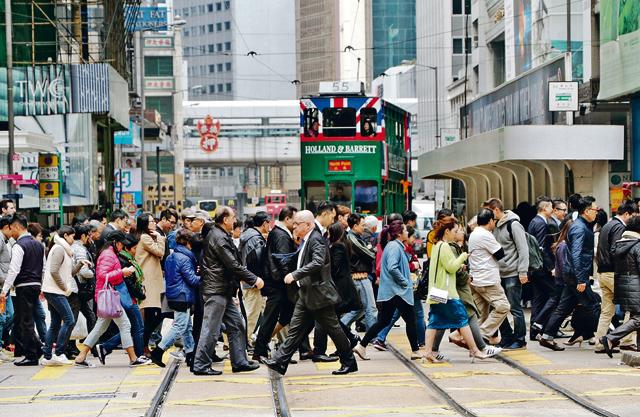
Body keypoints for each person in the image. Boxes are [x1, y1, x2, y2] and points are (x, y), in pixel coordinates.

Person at [264, 210, 357, 376]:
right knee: (296, 329)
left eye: (297, 223)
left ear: (308, 225)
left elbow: (318, 262)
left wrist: (295, 275)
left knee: (334, 329)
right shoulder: (306, 239)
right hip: (306, 292)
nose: (294, 226)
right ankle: (279, 361)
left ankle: (349, 361)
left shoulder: (315, 240)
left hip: (318, 294)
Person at [192, 206, 264, 376]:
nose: (235, 220)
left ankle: (239, 361)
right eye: (233, 217)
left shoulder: (221, 235)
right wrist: (254, 279)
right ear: (225, 219)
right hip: (216, 290)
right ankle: (201, 364)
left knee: (237, 324)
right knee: (210, 328)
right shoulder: (219, 237)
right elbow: (232, 264)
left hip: (222, 289)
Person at [73, 231, 150, 367]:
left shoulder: (109, 253)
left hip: (107, 297)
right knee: (125, 325)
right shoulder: (108, 255)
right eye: (121, 244)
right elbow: (103, 275)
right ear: (115, 243)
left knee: (99, 328)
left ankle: (81, 356)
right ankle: (133, 358)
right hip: (110, 296)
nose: (122, 247)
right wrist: (122, 272)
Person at [424, 217, 493, 363]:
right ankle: (475, 350)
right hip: (447, 293)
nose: (456, 234)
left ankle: (428, 352)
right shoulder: (445, 246)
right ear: (447, 231)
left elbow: (445, 266)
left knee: (434, 322)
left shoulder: (436, 246)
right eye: (454, 231)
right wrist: (462, 257)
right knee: (463, 320)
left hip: (436, 291)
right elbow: (451, 267)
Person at [353, 220, 422, 361]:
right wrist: (404, 282)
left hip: (391, 291)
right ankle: (415, 350)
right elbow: (392, 267)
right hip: (398, 292)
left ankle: (362, 346)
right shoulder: (394, 247)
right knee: (410, 320)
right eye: (405, 230)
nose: (407, 232)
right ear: (399, 233)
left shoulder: (394, 246)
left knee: (383, 321)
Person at [539, 196, 600, 351]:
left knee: (564, 306)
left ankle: (547, 336)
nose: (596, 213)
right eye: (595, 209)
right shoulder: (580, 228)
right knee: (592, 304)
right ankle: (604, 336)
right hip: (575, 275)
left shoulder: (581, 225)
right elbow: (576, 254)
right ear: (587, 211)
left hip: (571, 273)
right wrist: (581, 279)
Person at [252, 206, 298, 363]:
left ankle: (270, 348)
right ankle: (259, 349)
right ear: (287, 219)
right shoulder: (281, 235)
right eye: (294, 220)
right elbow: (283, 259)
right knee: (271, 317)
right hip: (277, 283)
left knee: (286, 316)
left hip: (277, 282)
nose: (296, 223)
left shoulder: (279, 233)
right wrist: (290, 278)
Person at [150, 229, 200, 367]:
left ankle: (190, 354)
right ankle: (158, 351)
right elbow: (192, 280)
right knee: (179, 326)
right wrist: (205, 276)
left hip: (175, 294)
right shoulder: (184, 258)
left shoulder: (172, 256)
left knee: (187, 327)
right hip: (182, 296)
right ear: (189, 242)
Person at [484, 198, 529, 350]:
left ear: (496, 210)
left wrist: (522, 271)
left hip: (512, 273)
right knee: (498, 307)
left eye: (488, 211)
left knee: (515, 308)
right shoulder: (493, 225)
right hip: (498, 273)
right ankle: (507, 336)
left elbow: (523, 249)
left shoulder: (514, 224)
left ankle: (520, 339)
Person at [594, 200, 639, 353]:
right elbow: (619, 252)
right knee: (632, 308)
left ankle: (600, 342)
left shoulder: (608, 224)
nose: (633, 219)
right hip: (614, 273)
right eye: (632, 215)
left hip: (602, 272)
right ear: (626, 213)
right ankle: (625, 340)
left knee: (606, 311)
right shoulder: (620, 227)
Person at [0, 215, 45, 366]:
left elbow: (14, 270)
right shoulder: (39, 245)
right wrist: (41, 286)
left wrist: (4, 289)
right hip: (36, 285)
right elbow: (43, 267)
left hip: (23, 286)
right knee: (22, 319)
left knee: (25, 321)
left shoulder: (19, 245)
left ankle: (32, 355)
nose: (11, 232)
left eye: (12, 228)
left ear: (18, 227)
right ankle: (38, 349)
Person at [97, 233, 147, 363]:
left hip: (124, 297)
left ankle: (104, 348)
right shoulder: (118, 258)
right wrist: (139, 293)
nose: (136, 251)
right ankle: (136, 356)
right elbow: (104, 276)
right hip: (124, 297)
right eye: (134, 248)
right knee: (134, 327)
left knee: (128, 326)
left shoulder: (122, 257)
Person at [41, 226, 87, 365]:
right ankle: (59, 353)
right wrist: (64, 287)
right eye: (72, 236)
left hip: (55, 290)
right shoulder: (60, 249)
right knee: (69, 320)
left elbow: (68, 273)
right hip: (55, 291)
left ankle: (48, 356)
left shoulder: (64, 249)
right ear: (66, 235)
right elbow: (54, 271)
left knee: (55, 323)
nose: (74, 239)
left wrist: (80, 264)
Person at [468, 208, 510, 344]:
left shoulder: (474, 234)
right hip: (488, 280)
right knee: (503, 306)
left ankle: (473, 342)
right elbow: (500, 253)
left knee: (480, 314)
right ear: (491, 221)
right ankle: (482, 334)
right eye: (494, 221)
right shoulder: (485, 235)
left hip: (476, 279)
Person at [531, 219, 573, 342]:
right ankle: (544, 328)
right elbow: (565, 265)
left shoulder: (561, 244)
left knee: (553, 301)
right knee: (559, 305)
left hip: (558, 278)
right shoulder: (564, 245)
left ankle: (539, 324)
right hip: (562, 279)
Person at [135, 213, 166, 353]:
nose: (154, 223)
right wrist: (160, 238)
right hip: (148, 281)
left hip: (151, 280)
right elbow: (160, 252)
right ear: (145, 224)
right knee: (154, 315)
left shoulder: (145, 236)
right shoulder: (145, 237)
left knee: (153, 315)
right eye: (151, 221)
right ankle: (142, 346)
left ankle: (144, 345)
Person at [341, 214, 378, 332]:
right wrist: (372, 250)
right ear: (355, 226)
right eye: (362, 225)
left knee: (360, 308)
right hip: (359, 277)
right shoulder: (352, 238)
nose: (364, 228)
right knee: (370, 308)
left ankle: (339, 329)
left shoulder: (356, 237)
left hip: (360, 276)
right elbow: (370, 254)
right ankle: (372, 336)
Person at [239, 211, 270, 346]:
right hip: (253, 282)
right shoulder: (255, 239)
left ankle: (253, 340)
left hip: (248, 280)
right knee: (251, 315)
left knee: (255, 313)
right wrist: (257, 280)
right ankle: (245, 343)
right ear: (264, 224)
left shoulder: (248, 235)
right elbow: (257, 261)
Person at [527, 196, 556, 340]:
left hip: (534, 267)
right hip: (540, 267)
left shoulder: (534, 221)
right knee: (555, 293)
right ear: (545, 208)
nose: (553, 209)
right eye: (551, 206)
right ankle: (540, 325)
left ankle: (534, 329)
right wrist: (550, 266)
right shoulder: (541, 223)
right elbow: (541, 247)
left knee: (538, 297)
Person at [67, 224, 97, 358]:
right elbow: (83, 271)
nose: (89, 238)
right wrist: (93, 272)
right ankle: (67, 347)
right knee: (73, 319)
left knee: (86, 317)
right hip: (79, 290)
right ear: (83, 236)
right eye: (88, 235)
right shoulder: (79, 250)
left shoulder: (74, 248)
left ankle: (81, 346)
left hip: (78, 290)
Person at [0, 217, 13, 362]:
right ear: (6, 227)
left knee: (9, 315)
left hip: (5, 285)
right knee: (2, 317)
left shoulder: (6, 241)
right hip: (2, 285)